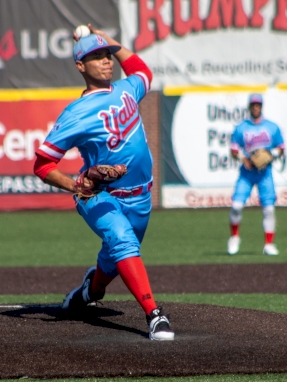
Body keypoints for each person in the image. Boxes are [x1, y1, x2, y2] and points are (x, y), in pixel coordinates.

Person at [32, 25, 173, 341]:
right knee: (123, 242)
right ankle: (155, 315)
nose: (106, 61)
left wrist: (108, 40)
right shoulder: (76, 114)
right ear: (80, 66)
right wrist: (76, 187)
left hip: (140, 197)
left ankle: (87, 292)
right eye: (96, 57)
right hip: (100, 196)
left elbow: (143, 71)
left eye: (107, 55)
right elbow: (42, 164)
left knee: (114, 259)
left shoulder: (127, 89)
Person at [227, 93, 285, 256]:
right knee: (236, 206)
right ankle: (234, 237)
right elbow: (233, 149)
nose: (255, 107)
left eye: (258, 104)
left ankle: (269, 244)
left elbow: (281, 147)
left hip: (265, 173)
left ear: (261, 106)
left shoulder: (272, 127)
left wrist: (270, 154)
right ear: (249, 106)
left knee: (268, 209)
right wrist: (242, 158)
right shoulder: (242, 127)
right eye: (253, 104)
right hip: (247, 173)